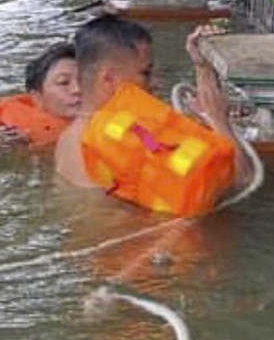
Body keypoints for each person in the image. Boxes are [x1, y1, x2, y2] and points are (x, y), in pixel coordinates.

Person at [53, 14, 252, 205]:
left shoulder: (69, 138)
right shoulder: (111, 143)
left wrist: (203, 68)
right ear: (109, 79)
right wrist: (218, 119)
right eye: (145, 73)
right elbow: (241, 182)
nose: (154, 82)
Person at [0, 43, 80, 150]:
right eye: (63, 82)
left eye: (85, 80)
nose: (78, 89)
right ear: (37, 98)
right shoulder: (19, 136)